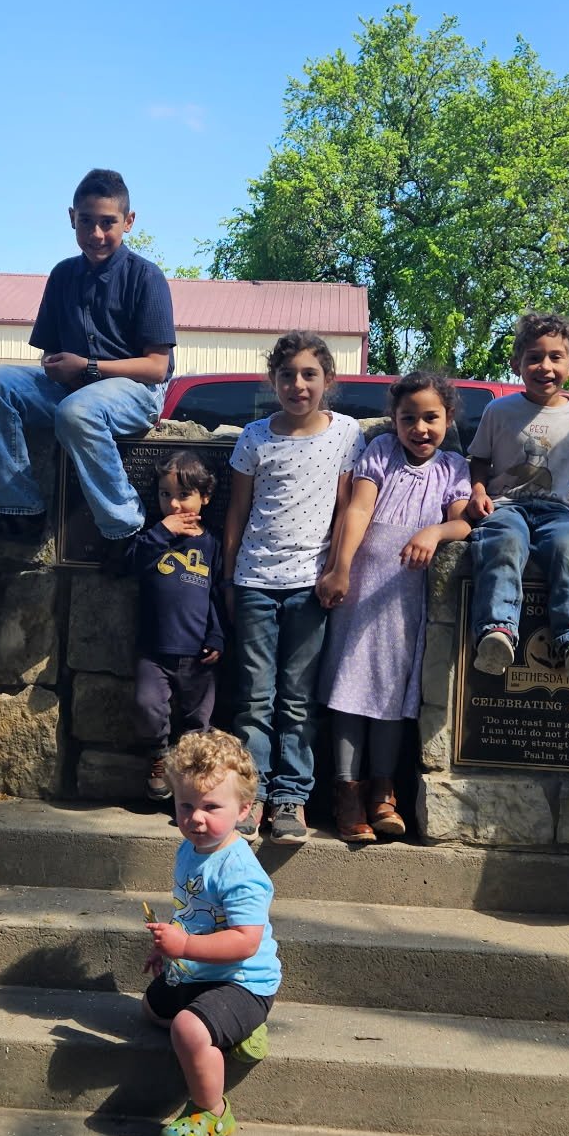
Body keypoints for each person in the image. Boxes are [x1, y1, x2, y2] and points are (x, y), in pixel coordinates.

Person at [0, 169, 175, 563]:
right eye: (86, 221)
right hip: (75, 387)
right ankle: (22, 510)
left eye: (108, 222)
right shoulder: (63, 275)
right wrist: (57, 366)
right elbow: (49, 355)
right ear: (71, 218)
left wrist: (89, 367)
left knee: (76, 411)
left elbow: (156, 367)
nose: (96, 233)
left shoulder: (146, 277)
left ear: (128, 222)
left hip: (136, 391)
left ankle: (124, 529)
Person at [317, 372, 472, 842]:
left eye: (431, 418)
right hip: (364, 587)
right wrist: (340, 568)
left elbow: (463, 524)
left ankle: (383, 793)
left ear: (448, 419)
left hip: (407, 598)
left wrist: (434, 533)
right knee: (349, 685)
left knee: (389, 693)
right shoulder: (381, 451)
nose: (420, 428)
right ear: (394, 420)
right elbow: (358, 510)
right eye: (409, 418)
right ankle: (346, 794)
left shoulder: (453, 467)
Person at [223, 331, 364, 845]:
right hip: (256, 581)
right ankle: (251, 796)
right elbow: (238, 511)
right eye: (287, 374)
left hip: (311, 585)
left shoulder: (347, 434)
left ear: (328, 379)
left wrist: (338, 568)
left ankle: (292, 798)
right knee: (255, 696)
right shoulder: (254, 437)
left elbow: (350, 508)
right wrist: (230, 578)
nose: (297, 384)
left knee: (299, 698)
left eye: (309, 374)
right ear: (273, 380)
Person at [143, 729, 281, 1136]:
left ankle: (212, 1111)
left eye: (211, 807)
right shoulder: (192, 849)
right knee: (150, 1008)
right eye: (186, 806)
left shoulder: (240, 870)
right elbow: (192, 912)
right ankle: (226, 1031)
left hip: (244, 982)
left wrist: (183, 947)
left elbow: (244, 942)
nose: (196, 818)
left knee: (187, 1028)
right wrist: (168, 946)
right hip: (199, 972)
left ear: (243, 810)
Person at [466, 312, 569, 676]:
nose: (544, 366)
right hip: (506, 506)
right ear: (517, 364)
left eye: (555, 357)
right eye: (533, 357)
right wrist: (478, 490)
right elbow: (479, 460)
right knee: (504, 545)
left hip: (556, 511)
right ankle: (496, 632)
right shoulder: (498, 410)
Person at [125, 450, 226, 803]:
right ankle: (159, 757)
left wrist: (216, 636)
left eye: (184, 495)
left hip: (197, 654)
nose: (174, 504)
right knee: (147, 706)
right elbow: (129, 564)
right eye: (166, 494)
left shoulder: (211, 544)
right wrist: (159, 533)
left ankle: (192, 782)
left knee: (199, 722)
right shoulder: (152, 537)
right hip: (153, 650)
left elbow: (215, 593)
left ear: (205, 497)